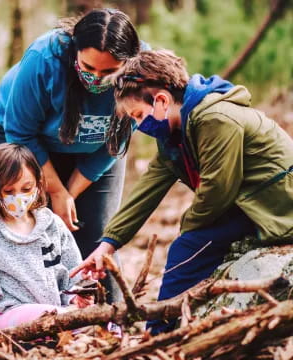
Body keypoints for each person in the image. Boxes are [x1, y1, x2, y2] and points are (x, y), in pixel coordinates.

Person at [71, 50, 293, 335]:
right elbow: (147, 189)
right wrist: (107, 245)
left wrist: (186, 230)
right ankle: (167, 326)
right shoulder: (176, 133)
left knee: (187, 248)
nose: (139, 125)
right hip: (249, 204)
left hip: (276, 206)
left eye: (138, 115)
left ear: (161, 100)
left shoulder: (215, 118)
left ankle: (159, 333)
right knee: (190, 245)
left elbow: (217, 191)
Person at [0, 8, 148, 303]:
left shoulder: (143, 72)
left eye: (108, 72)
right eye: (88, 67)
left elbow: (116, 143)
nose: (96, 78)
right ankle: (24, 317)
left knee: (97, 235)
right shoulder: (44, 58)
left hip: (99, 150)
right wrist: (55, 193)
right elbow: (20, 131)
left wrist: (68, 194)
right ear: (75, 52)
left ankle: (111, 320)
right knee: (30, 230)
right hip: (23, 140)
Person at [0, 143, 91, 336]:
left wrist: (76, 298)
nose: (18, 197)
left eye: (26, 188)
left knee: (103, 321)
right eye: (9, 191)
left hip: (57, 313)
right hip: (8, 317)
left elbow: (71, 273)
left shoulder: (53, 225)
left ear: (38, 184)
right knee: (49, 317)